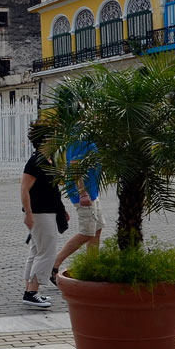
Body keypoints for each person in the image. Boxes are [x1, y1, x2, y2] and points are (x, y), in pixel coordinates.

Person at [19, 126, 65, 309]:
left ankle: (30, 290)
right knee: (47, 252)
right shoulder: (36, 161)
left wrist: (60, 208)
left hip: (48, 210)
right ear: (44, 140)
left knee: (37, 251)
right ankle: (32, 292)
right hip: (39, 213)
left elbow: (50, 189)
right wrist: (28, 213)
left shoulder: (48, 159)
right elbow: (24, 189)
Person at [50, 142, 104, 283]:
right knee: (87, 231)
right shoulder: (79, 135)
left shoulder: (89, 132)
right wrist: (82, 192)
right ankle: (54, 265)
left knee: (97, 229)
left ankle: (92, 268)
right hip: (83, 193)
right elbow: (74, 165)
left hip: (92, 191)